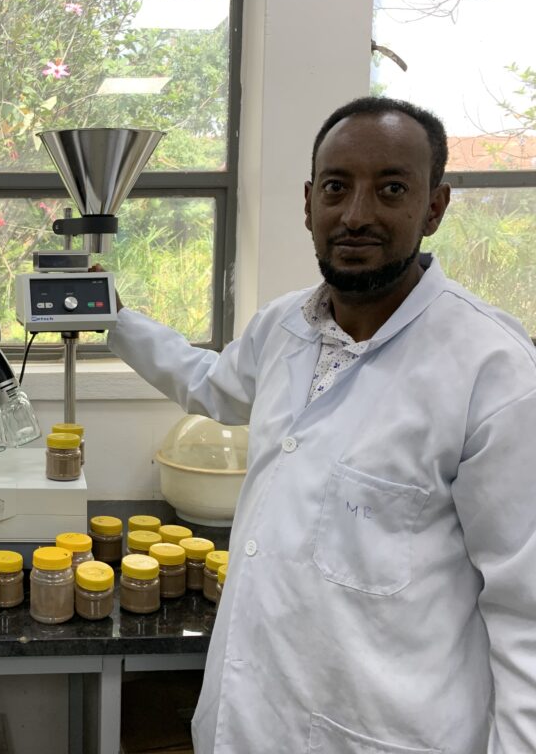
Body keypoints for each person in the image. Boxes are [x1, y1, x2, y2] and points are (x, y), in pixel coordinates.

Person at [105, 97, 536, 753]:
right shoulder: (286, 327)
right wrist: (114, 319)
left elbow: (524, 614)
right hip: (249, 723)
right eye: (337, 187)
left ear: (435, 206)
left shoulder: (495, 372)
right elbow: (210, 385)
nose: (357, 214)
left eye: (391, 189)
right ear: (309, 203)